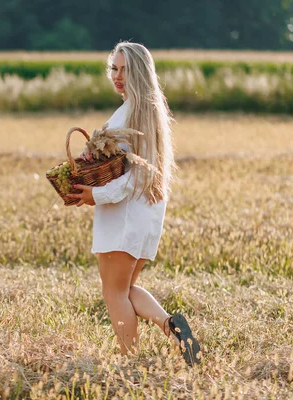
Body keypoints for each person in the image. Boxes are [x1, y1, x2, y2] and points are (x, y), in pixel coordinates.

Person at [67, 41, 201, 366]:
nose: (117, 75)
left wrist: (93, 195)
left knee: (113, 293)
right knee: (125, 289)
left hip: (124, 216)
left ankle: (130, 364)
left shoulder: (128, 115)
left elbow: (129, 179)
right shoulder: (152, 113)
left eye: (125, 69)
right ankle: (171, 325)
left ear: (140, 73)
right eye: (114, 68)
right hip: (146, 216)